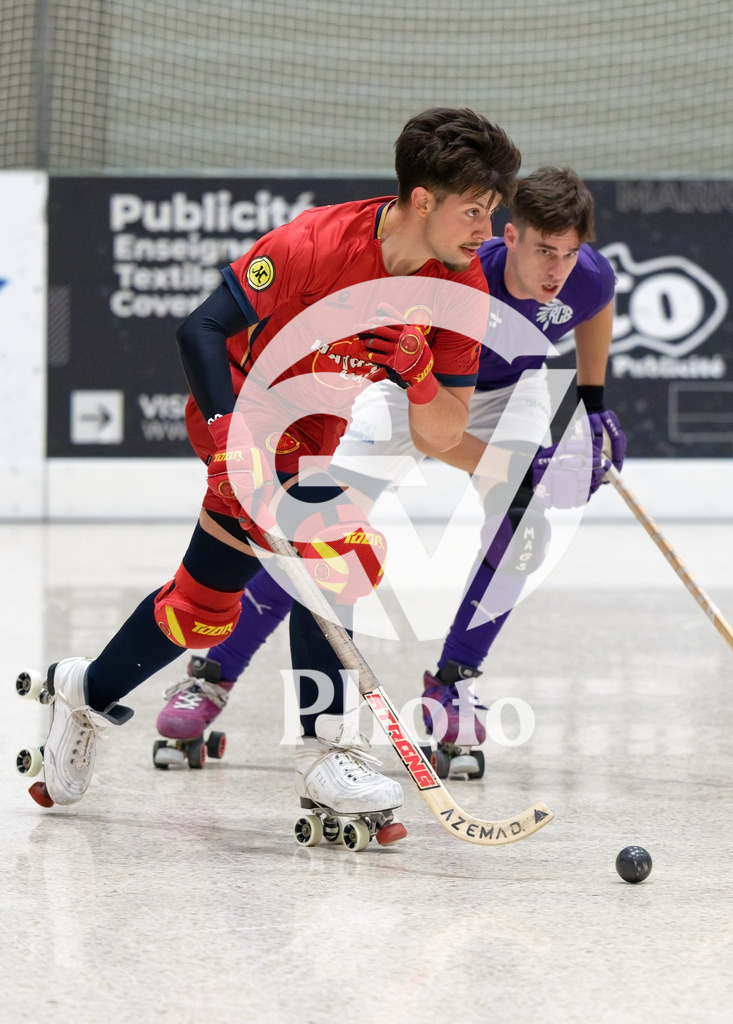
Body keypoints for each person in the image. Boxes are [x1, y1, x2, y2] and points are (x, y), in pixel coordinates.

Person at [24, 108, 522, 843]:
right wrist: (229, 438)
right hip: (240, 415)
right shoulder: (314, 244)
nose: (485, 229)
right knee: (335, 544)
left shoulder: (460, 288)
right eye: (474, 211)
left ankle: (84, 691)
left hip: (313, 429)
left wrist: (418, 374)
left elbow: (440, 430)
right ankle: (328, 752)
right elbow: (198, 328)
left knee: (201, 609)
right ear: (423, 199)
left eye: (491, 211)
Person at [154, 165, 626, 779]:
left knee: (523, 525)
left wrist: (592, 403)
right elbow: (441, 434)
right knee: (319, 532)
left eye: (568, 254)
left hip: (511, 390)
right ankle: (213, 675)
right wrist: (516, 464)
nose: (556, 271)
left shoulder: (582, 275)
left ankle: (453, 682)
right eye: (543, 251)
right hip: (416, 388)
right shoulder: (463, 274)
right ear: (508, 237)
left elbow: (597, 304)